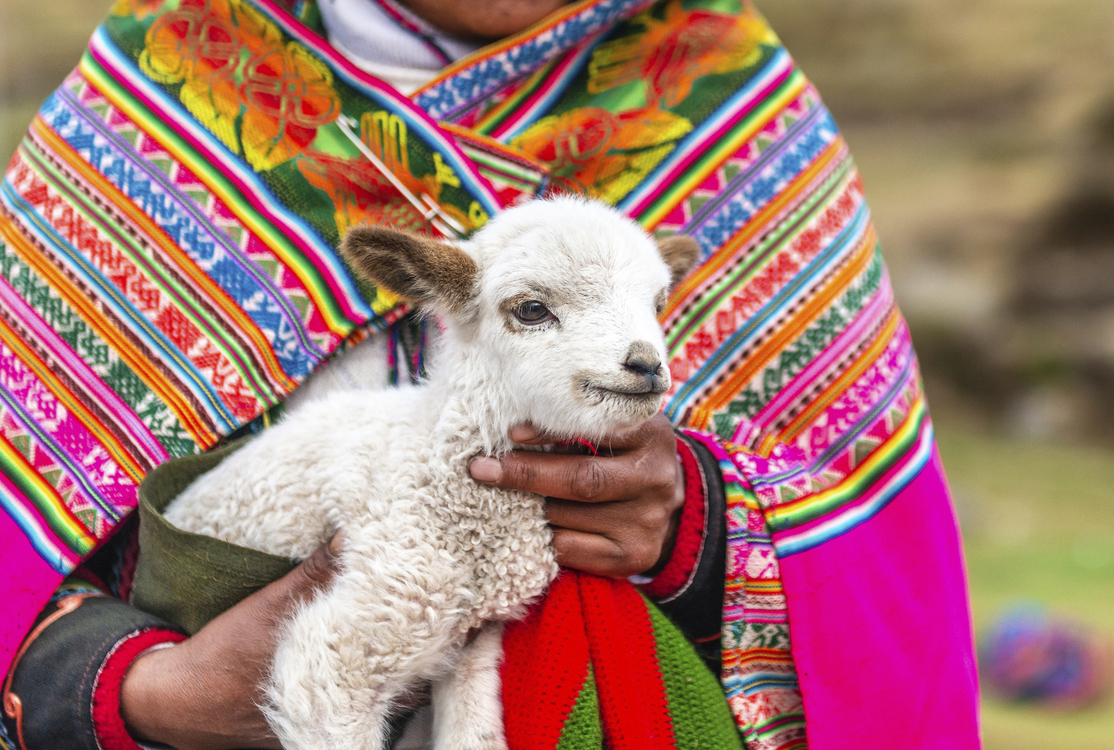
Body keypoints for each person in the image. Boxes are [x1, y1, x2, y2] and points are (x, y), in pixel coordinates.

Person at [0, 0, 982, 748]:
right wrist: (142, 690)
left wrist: (695, 525)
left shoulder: (740, 125)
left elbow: (878, 586)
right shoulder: (156, 114)